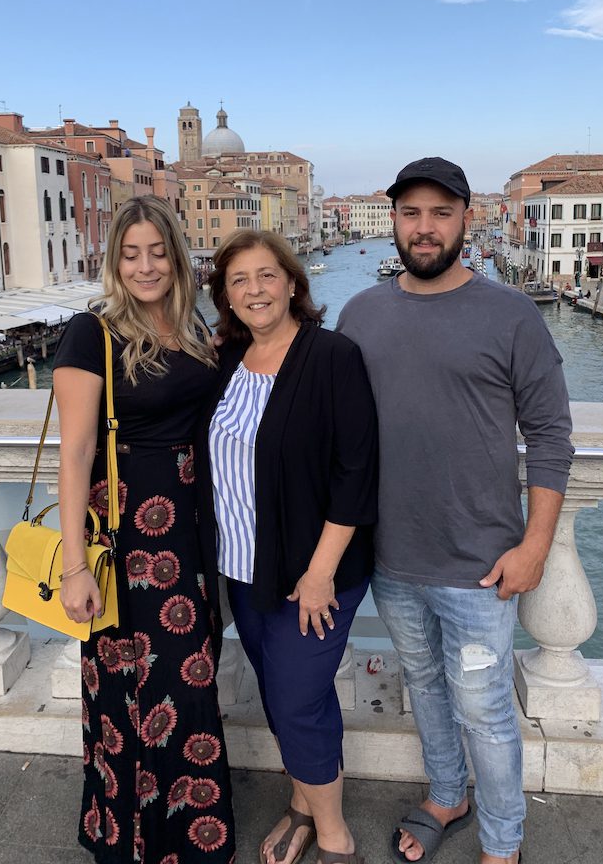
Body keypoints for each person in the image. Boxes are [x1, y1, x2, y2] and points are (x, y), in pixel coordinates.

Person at [337, 157, 574, 864]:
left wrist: (533, 546)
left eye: (441, 212)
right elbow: (336, 429)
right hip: (393, 557)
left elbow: (551, 435)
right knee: (426, 688)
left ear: (466, 219)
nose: (424, 226)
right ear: (395, 224)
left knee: (486, 712)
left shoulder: (511, 313)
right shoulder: (360, 314)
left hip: (479, 563)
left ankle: (503, 845)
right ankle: (447, 793)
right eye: (410, 213)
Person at [53, 195, 235, 864]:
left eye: (157, 251)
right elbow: (74, 457)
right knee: (138, 689)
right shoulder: (90, 332)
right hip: (125, 537)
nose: (146, 265)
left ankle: (186, 838)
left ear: (176, 255)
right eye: (131, 254)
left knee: (190, 680)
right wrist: (76, 568)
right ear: (113, 260)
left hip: (188, 531)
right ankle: (133, 841)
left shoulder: (192, 327)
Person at [196, 230, 378, 864]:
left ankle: (334, 833)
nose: (255, 289)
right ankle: (303, 801)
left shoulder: (331, 356)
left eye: (267, 275)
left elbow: (357, 470)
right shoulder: (225, 361)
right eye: (239, 280)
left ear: (293, 283)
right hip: (246, 571)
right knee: (283, 692)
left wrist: (321, 572)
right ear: (225, 295)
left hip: (316, 572)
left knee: (297, 699)